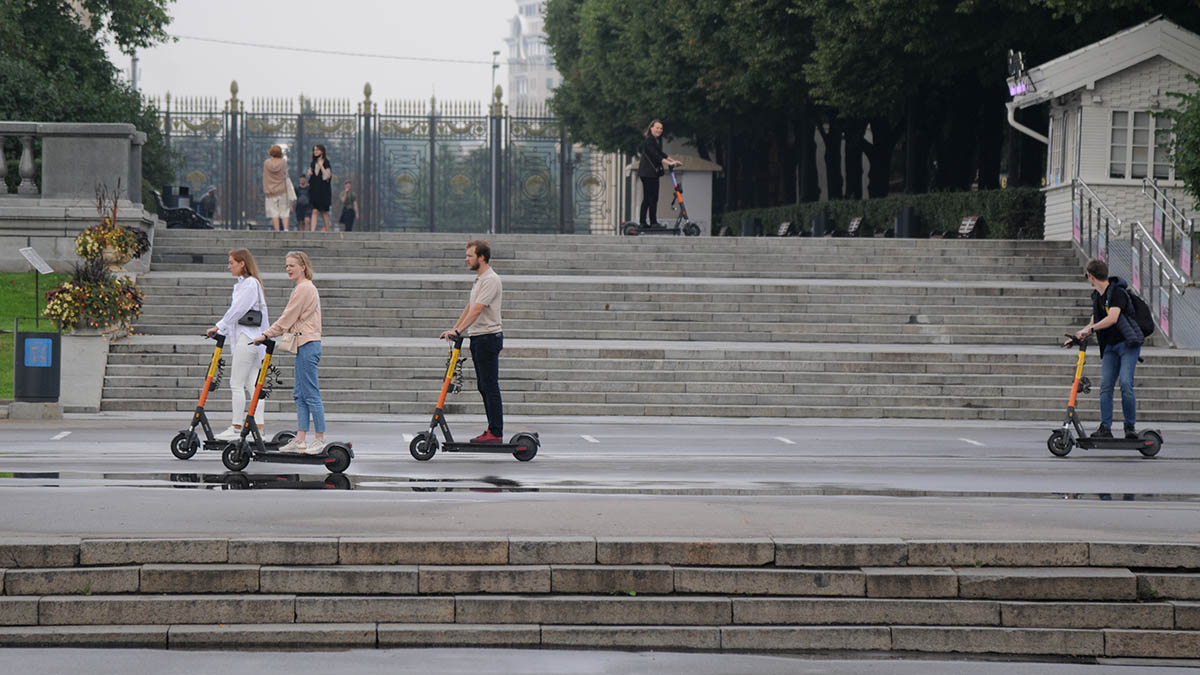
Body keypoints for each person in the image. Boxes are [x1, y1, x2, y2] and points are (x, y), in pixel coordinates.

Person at [255, 251, 326, 454]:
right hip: (304, 344)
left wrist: (266, 334)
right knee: (300, 394)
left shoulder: (304, 288)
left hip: (308, 344)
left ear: (303, 266)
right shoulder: (302, 288)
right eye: (286, 265)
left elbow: (288, 317)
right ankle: (301, 438)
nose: (288, 269)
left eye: (292, 265)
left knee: (311, 393)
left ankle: (319, 438)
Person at [1072, 258, 1145, 439]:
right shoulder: (1098, 296)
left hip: (1127, 345)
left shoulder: (1118, 292)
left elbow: (1112, 318)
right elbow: (1094, 320)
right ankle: (1106, 427)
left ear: (1090, 276)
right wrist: (1078, 335)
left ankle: (1130, 428)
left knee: (1126, 384)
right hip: (1111, 347)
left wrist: (1090, 329)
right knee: (1106, 386)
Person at [440, 240, 504, 443]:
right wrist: (455, 329)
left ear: (481, 257)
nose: (466, 259)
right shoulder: (479, 279)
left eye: (470, 255)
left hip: (488, 337)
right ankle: (492, 429)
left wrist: (459, 330)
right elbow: (470, 307)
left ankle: (495, 431)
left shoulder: (490, 279)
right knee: (484, 386)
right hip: (478, 337)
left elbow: (478, 310)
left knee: (490, 386)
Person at [207, 249, 270, 441]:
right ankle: (257, 428)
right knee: (252, 384)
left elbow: (238, 310)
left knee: (236, 384)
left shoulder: (250, 283)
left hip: (247, 338)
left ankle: (236, 427)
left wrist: (219, 326)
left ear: (242, 263)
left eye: (232, 262)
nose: (229, 266)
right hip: (250, 338)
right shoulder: (246, 284)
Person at [637, 119, 681, 227]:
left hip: (650, 173)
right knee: (650, 198)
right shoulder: (649, 141)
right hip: (648, 174)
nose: (659, 130)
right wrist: (669, 163)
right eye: (657, 127)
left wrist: (673, 161)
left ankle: (646, 222)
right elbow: (656, 156)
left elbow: (661, 153)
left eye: (661, 128)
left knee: (650, 198)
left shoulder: (654, 141)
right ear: (651, 128)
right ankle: (651, 222)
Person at [263, 145, 290, 231]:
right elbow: (286, 176)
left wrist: (266, 189)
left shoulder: (267, 163)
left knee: (274, 212)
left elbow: (265, 177)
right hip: (282, 189)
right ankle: (286, 229)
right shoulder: (283, 162)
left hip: (271, 191)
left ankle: (277, 230)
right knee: (284, 211)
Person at [307, 145, 333, 232]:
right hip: (315, 190)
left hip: (324, 191)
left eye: (317, 150)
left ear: (322, 151)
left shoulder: (326, 162)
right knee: (314, 210)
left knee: (324, 211)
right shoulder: (313, 163)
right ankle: (312, 231)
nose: (315, 152)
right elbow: (312, 177)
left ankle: (328, 230)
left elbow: (327, 176)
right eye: (314, 150)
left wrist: (321, 166)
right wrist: (310, 173)